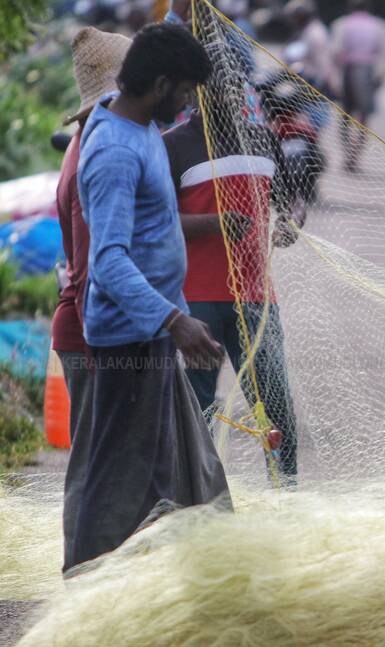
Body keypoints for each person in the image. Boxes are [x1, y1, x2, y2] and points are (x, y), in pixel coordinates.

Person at [69, 23, 229, 572]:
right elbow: (108, 260)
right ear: (159, 84)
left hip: (153, 332)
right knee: (117, 480)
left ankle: (147, 585)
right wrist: (175, 321)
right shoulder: (114, 150)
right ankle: (87, 592)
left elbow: (152, 233)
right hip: (128, 341)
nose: (187, 104)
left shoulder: (135, 125)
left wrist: (175, 320)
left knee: (162, 475)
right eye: (184, 91)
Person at [163, 83, 301, 482]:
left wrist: (291, 221)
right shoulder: (174, 146)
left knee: (276, 405)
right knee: (198, 406)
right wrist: (213, 223)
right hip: (197, 304)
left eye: (233, 83)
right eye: (214, 86)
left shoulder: (262, 140)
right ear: (192, 94)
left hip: (257, 300)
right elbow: (156, 222)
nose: (227, 93)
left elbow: (291, 200)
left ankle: (286, 493)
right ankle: (196, 500)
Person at [51, 26, 132, 573]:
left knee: (101, 461)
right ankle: (84, 574)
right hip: (91, 332)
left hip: (85, 328)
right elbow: (97, 266)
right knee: (96, 466)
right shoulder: (95, 156)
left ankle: (97, 569)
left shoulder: (88, 143)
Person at [331, 0, 385, 172]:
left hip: (348, 71)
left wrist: (334, 79)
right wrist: (381, 79)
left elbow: (336, 52)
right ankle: (356, 155)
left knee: (345, 116)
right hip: (368, 73)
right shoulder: (381, 26)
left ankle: (347, 154)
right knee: (364, 118)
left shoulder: (342, 24)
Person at [284, 0, 333, 94]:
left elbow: (322, 62)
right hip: (307, 81)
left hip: (315, 83)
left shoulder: (315, 32)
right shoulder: (305, 30)